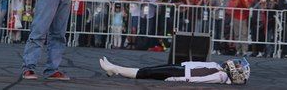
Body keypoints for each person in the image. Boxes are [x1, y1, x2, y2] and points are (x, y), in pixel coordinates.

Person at [99, 56, 250, 85]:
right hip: (181, 69)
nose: (235, 64)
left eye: (238, 67)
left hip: (181, 74)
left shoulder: (222, 76)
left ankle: (113, 68)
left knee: (146, 72)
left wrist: (178, 78)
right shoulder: (220, 69)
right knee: (147, 70)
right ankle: (114, 68)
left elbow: (200, 78)